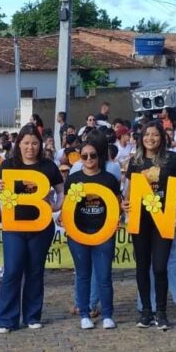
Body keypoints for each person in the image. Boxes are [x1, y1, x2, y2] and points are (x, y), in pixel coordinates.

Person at [0, 124, 64, 333]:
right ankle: (6, 319)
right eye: (26, 143)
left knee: (35, 271)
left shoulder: (48, 166)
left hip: (41, 227)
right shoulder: (7, 165)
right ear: (18, 143)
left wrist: (56, 206)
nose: (31, 147)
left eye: (35, 143)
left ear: (40, 144)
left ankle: (32, 315)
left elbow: (61, 190)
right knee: (12, 271)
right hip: (14, 227)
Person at [122, 121, 176, 330]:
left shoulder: (172, 159)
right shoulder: (135, 161)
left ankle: (161, 311)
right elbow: (130, 191)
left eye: (155, 135)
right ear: (141, 138)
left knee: (160, 266)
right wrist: (125, 202)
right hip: (141, 218)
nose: (151, 138)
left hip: (163, 217)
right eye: (147, 135)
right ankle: (146, 312)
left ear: (162, 137)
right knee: (142, 266)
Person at [61, 139, 120, 330]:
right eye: (84, 156)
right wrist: (61, 217)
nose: (88, 159)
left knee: (104, 276)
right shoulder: (73, 178)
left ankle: (107, 314)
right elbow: (66, 205)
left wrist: (118, 219)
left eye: (92, 155)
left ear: (99, 157)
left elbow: (117, 205)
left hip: (104, 233)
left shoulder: (109, 179)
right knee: (83, 275)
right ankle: (84, 313)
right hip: (78, 233)